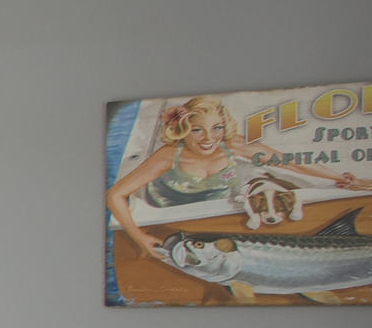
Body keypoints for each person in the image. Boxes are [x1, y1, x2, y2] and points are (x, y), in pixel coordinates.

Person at [105, 94, 365, 262]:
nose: (209, 138)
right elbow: (115, 194)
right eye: (197, 130)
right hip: (170, 216)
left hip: (215, 215)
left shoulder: (231, 145)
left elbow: (290, 163)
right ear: (184, 129)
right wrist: (138, 237)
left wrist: (343, 179)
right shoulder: (168, 155)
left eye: (216, 128)